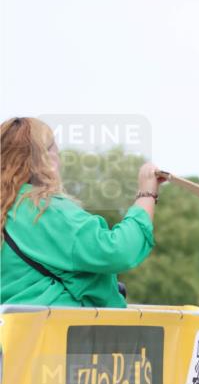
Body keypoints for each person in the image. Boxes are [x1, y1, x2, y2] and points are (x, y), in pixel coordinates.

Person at [1, 117, 162, 307]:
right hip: (51, 333)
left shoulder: (7, 211)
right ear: (48, 160)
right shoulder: (41, 209)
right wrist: (147, 192)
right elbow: (117, 251)